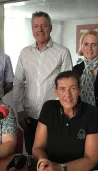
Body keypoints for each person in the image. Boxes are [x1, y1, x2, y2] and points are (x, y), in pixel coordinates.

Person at [14, 11, 72, 155]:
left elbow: (67, 86)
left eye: (44, 26)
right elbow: (19, 82)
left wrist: (63, 113)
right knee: (32, 155)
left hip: (54, 116)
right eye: (36, 26)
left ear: (50, 28)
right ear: (32, 29)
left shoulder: (62, 52)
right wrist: (20, 110)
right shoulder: (24, 53)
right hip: (29, 116)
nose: (40, 30)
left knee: (53, 155)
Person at [32, 71, 98, 171]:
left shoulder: (92, 113)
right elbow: (37, 148)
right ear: (56, 91)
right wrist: (43, 162)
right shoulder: (49, 108)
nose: (68, 94)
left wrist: (58, 168)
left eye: (73, 88)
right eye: (62, 89)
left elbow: (91, 159)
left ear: (79, 90)